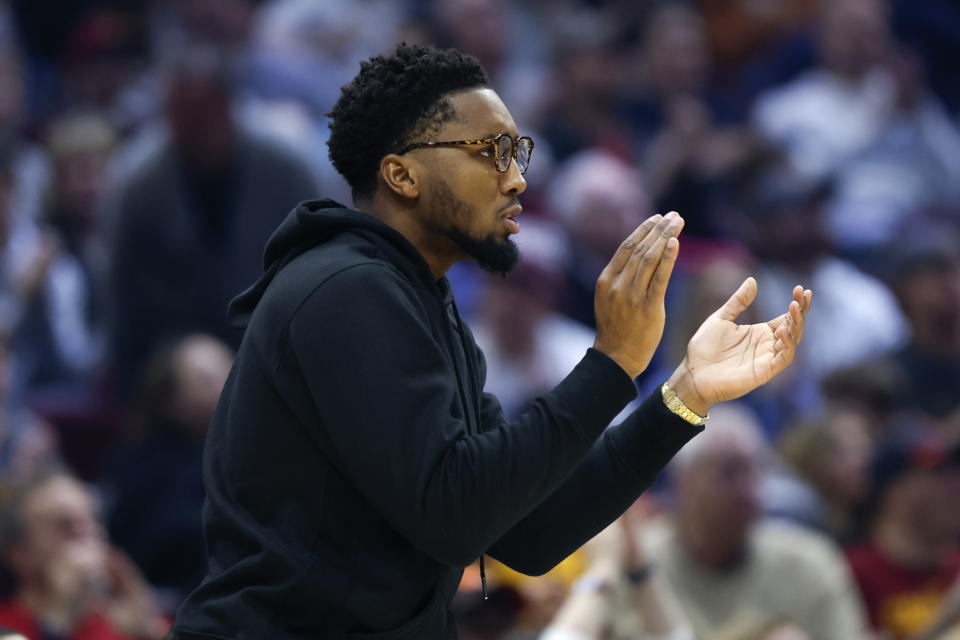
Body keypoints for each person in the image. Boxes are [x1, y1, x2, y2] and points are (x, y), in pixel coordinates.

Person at [168, 43, 811, 639]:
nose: (517, 180)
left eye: (519, 153)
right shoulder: (346, 290)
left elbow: (526, 530)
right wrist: (612, 363)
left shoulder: (420, 301)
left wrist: (682, 397)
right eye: (492, 152)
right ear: (402, 174)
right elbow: (455, 516)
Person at [0, 467, 168, 639]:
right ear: (19, 553)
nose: (86, 535)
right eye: (65, 526)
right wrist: (58, 622)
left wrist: (150, 632)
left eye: (93, 520)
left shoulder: (130, 619)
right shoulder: (5, 627)